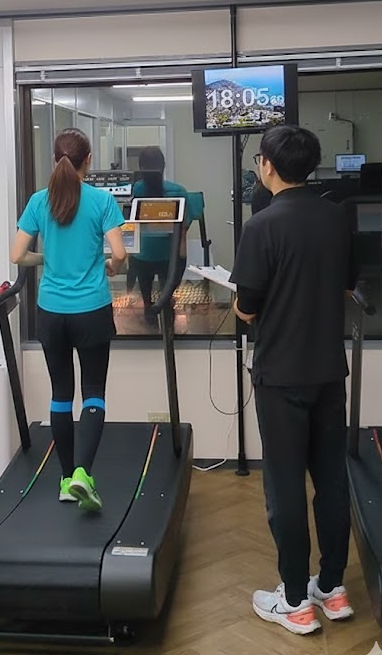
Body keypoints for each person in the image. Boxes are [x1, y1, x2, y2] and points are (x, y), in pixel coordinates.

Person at [230, 125, 358, 635]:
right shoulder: (337, 218)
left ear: (267, 165)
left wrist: (246, 301)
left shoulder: (261, 226)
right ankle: (333, 587)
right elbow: (346, 285)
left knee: (284, 488)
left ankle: (295, 600)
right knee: (331, 480)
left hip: (280, 375)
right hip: (328, 371)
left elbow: (246, 308)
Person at [10, 128, 126, 512]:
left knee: (61, 393)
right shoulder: (101, 200)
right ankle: (82, 474)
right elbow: (119, 254)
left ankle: (64, 480)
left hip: (51, 312)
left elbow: (17, 255)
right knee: (93, 391)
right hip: (91, 310)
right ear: (88, 160)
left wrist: (47, 259)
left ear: (55, 159)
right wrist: (110, 266)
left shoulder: (39, 201)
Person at [132, 146, 193, 326]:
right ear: (163, 166)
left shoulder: (135, 190)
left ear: (140, 167)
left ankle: (148, 312)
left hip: (142, 256)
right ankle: (167, 320)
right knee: (166, 297)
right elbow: (184, 226)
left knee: (147, 298)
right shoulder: (178, 191)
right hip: (169, 257)